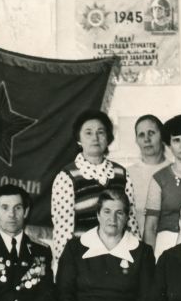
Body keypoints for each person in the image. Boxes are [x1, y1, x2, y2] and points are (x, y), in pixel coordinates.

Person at [50, 109, 138, 261]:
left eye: (100, 132)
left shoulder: (121, 174)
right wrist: (65, 266)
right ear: (79, 139)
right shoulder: (67, 177)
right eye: (88, 133)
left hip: (120, 256)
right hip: (83, 259)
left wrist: (137, 256)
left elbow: (131, 221)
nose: (95, 138)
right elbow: (63, 232)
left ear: (108, 138)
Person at [144, 114, 181, 259]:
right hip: (166, 246)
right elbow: (151, 227)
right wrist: (149, 262)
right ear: (169, 145)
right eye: (176, 140)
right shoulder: (159, 179)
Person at [126, 115, 170, 227]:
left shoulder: (175, 170)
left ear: (162, 136)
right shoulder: (127, 174)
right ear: (136, 140)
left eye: (151, 133)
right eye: (141, 135)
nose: (146, 139)